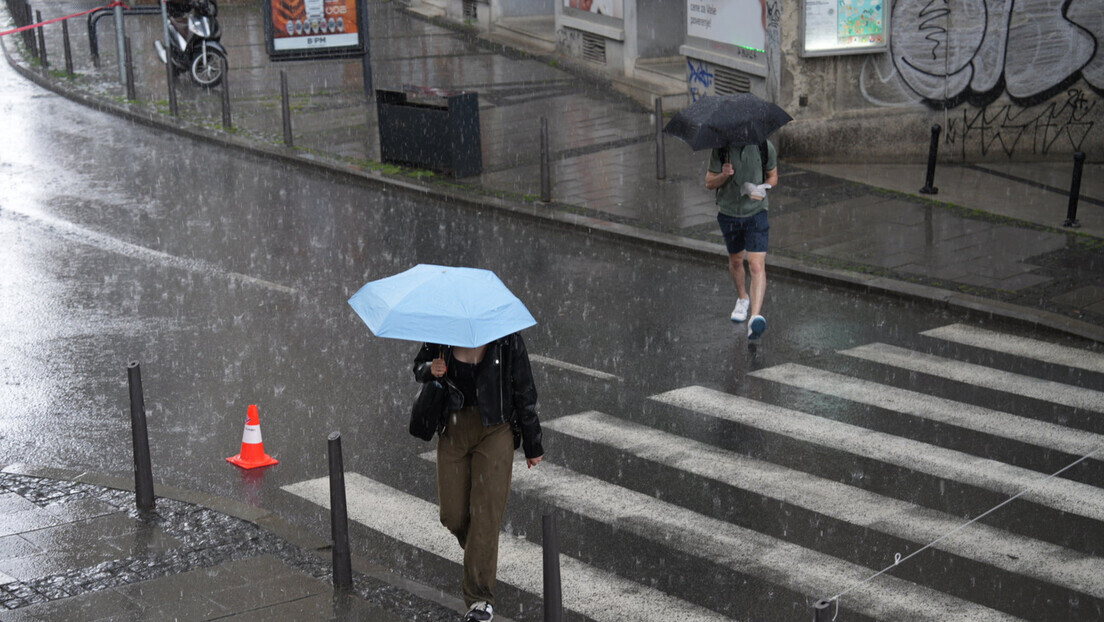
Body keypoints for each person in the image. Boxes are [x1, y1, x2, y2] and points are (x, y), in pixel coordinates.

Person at [413, 333, 544, 622]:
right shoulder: (442, 334)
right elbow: (418, 367)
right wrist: (429, 369)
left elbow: (525, 391)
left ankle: (479, 600)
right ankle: (481, 554)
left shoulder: (508, 340)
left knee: (485, 517)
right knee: (453, 515)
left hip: (495, 430)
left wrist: (533, 444)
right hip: (453, 429)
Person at [705, 139, 778, 340]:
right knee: (736, 260)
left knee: (756, 265)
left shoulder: (765, 147)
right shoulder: (721, 149)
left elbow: (773, 177)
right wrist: (724, 175)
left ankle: (755, 317)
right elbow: (709, 182)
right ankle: (743, 298)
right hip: (729, 213)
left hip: (756, 213)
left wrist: (763, 187)